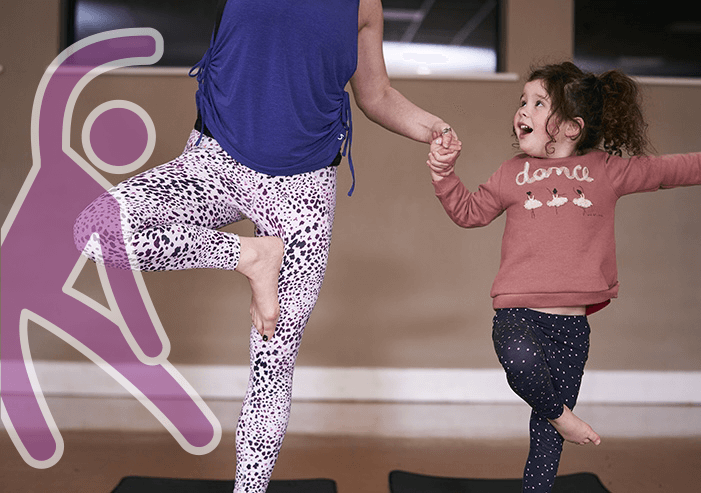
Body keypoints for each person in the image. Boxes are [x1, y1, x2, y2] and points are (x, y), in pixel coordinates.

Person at [73, 0, 457, 491]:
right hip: (215, 164)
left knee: (273, 358)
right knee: (97, 228)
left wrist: (435, 129)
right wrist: (241, 252)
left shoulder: (365, 6)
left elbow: (376, 93)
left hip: (302, 190)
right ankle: (251, 256)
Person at [426, 61, 701, 492]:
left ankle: (549, 445)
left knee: (544, 441)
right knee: (519, 362)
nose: (523, 110)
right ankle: (563, 417)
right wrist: (443, 175)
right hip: (518, 313)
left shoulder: (604, 169)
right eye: (522, 101)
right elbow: (469, 212)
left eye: (538, 103)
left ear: (572, 128)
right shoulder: (510, 173)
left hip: (572, 327)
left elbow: (662, 172)